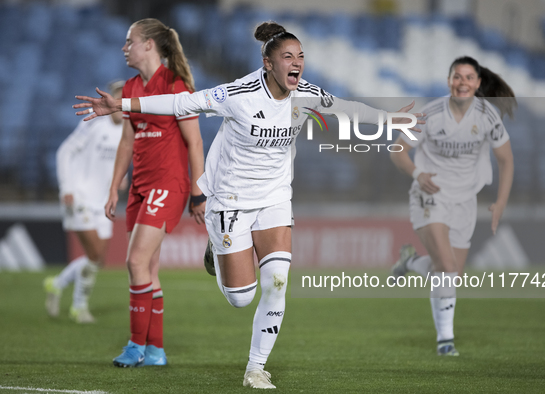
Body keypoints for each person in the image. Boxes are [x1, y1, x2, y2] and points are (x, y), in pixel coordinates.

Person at [74, 21, 422, 388]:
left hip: (274, 198)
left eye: (301, 56)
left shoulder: (305, 94)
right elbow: (182, 102)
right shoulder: (238, 94)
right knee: (241, 298)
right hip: (230, 200)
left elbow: (345, 108)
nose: (297, 62)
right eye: (288, 56)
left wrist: (392, 119)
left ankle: (255, 367)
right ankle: (217, 246)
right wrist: (122, 104)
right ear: (268, 64)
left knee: (277, 281)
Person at [390, 56, 515, 356]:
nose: (462, 83)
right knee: (446, 267)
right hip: (429, 194)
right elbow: (397, 150)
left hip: (465, 200)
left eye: (469, 78)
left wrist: (500, 203)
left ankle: (409, 262)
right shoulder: (430, 113)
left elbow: (506, 160)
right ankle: (445, 341)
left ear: (478, 83)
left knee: (450, 273)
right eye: (457, 77)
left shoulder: (488, 116)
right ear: (449, 81)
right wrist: (418, 174)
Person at [101, 18, 205, 368]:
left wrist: (197, 192)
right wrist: (115, 186)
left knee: (134, 261)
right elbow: (127, 141)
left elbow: (195, 142)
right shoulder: (130, 87)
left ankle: (135, 345)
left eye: (129, 40)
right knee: (149, 268)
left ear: (149, 45)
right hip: (140, 187)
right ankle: (156, 351)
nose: (124, 47)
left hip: (168, 184)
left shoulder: (177, 87)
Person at [44, 81, 125, 324]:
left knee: (97, 258)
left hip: (103, 201)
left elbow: (119, 161)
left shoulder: (127, 131)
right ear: (111, 99)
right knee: (94, 253)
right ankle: (79, 308)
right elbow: (64, 151)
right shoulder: (93, 122)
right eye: (119, 97)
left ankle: (56, 283)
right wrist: (66, 188)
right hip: (79, 196)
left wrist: (121, 179)